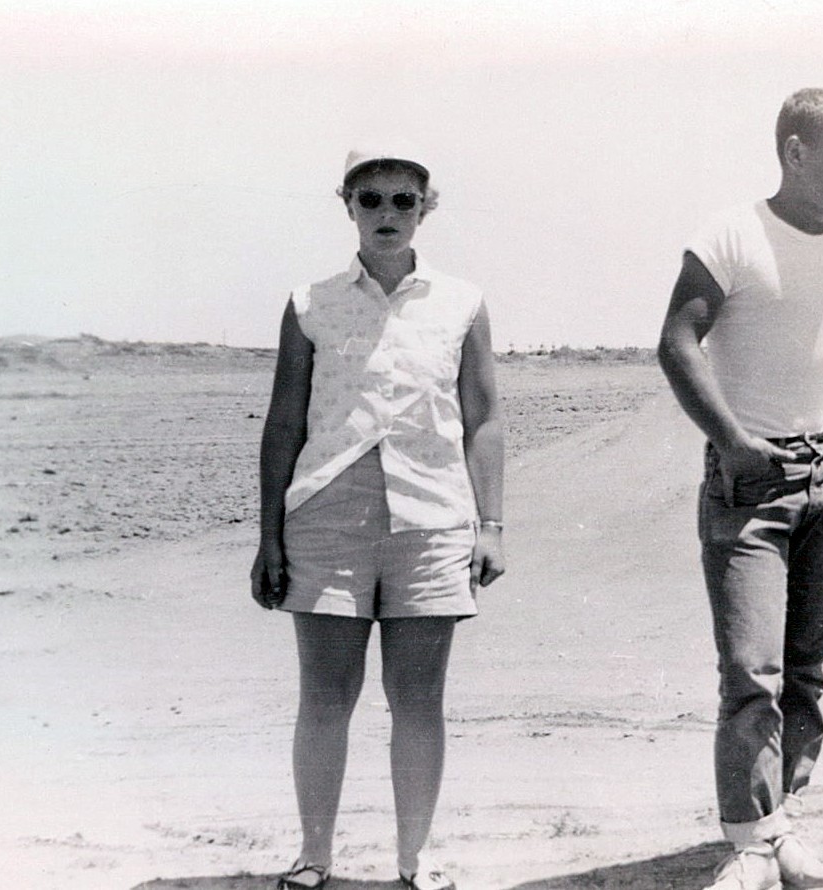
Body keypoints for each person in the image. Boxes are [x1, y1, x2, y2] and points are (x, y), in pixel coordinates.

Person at [250, 146, 505, 890]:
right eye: (370, 199)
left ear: (426, 208)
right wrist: (269, 536)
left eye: (403, 200)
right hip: (328, 514)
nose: (387, 213)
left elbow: (484, 418)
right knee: (326, 697)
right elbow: (283, 421)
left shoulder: (462, 302)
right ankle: (314, 857)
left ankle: (413, 861)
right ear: (348, 206)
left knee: (418, 701)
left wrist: (491, 524)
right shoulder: (310, 303)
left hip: (432, 517)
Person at [657, 88, 823, 890]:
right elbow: (676, 341)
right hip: (751, 480)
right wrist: (732, 441)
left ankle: (780, 824)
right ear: (795, 151)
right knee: (750, 673)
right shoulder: (731, 235)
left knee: (804, 673)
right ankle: (749, 844)